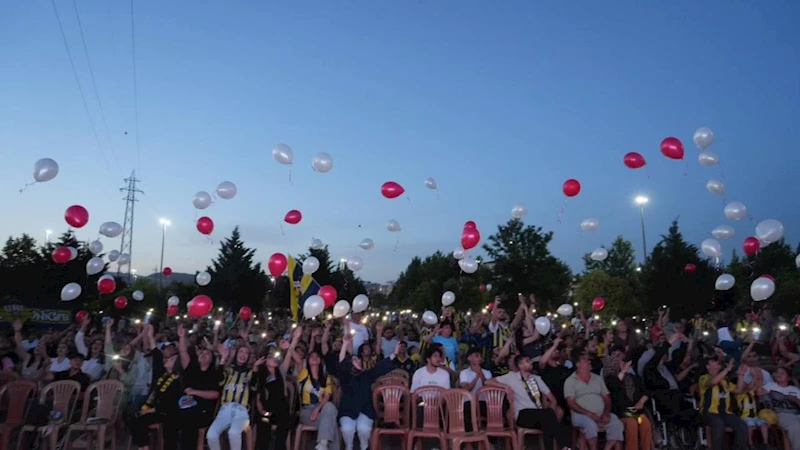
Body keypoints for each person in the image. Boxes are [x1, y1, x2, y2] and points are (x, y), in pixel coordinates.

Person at [489, 354, 571, 450]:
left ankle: (560, 447)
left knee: (548, 421)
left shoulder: (537, 378)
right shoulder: (511, 377)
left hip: (540, 415)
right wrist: (505, 387)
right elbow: (488, 382)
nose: (531, 362)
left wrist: (551, 413)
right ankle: (564, 446)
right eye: (528, 361)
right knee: (548, 416)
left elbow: (552, 399)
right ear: (520, 365)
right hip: (523, 414)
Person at [338, 334, 401, 450]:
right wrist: (345, 344)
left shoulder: (366, 375)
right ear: (349, 365)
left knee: (364, 429)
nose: (358, 361)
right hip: (347, 410)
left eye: (358, 359)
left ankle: (364, 446)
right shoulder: (345, 377)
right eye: (355, 360)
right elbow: (341, 363)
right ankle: (349, 447)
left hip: (365, 410)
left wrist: (395, 354)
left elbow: (380, 368)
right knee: (347, 429)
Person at [206, 345, 264, 450]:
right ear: (236, 354)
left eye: (246, 353)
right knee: (211, 435)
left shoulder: (250, 373)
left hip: (241, 411)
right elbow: (218, 381)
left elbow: (254, 387)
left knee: (233, 433)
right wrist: (223, 359)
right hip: (225, 409)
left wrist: (255, 369)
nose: (243, 354)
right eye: (241, 351)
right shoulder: (229, 370)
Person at [564, 348, 624, 450]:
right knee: (590, 425)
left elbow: (607, 398)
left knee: (616, 423)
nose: (589, 361)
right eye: (585, 360)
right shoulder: (570, 381)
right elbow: (571, 402)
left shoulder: (597, 378)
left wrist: (606, 412)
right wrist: (588, 414)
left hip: (601, 414)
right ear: (578, 364)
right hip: (580, 414)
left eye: (588, 359)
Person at [177, 325, 222, 450]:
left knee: (190, 417)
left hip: (203, 408)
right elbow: (182, 352)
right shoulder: (192, 367)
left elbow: (215, 394)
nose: (203, 354)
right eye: (202, 353)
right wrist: (181, 337)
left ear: (211, 360)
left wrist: (194, 392)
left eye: (207, 354)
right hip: (185, 404)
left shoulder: (213, 374)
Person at [698, 357, 749, 450]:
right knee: (719, 424)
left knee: (742, 426)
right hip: (709, 412)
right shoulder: (704, 378)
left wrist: (741, 374)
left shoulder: (724, 381)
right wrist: (727, 369)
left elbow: (738, 390)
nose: (717, 362)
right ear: (707, 366)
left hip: (725, 413)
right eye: (713, 361)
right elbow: (713, 382)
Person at [603, 355, 652, 450]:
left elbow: (646, 392)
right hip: (620, 413)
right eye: (620, 362)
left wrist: (641, 402)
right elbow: (615, 386)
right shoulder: (609, 379)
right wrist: (623, 371)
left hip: (635, 411)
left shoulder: (632, 378)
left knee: (644, 421)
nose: (623, 363)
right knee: (631, 423)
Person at [297, 349, 340, 450]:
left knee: (329, 406)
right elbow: (297, 359)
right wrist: (291, 345)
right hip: (306, 410)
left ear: (320, 360)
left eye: (317, 356)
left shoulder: (326, 377)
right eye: (312, 356)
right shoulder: (304, 373)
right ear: (307, 361)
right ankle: (324, 444)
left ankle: (323, 444)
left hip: (321, 410)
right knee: (332, 421)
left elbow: (327, 396)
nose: (315, 358)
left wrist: (317, 410)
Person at [759, 367, 800, 450]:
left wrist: (796, 400)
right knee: (795, 426)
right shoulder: (771, 385)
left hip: (797, 413)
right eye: (777, 372)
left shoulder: (795, 389)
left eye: (782, 373)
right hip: (781, 413)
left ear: (788, 378)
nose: (779, 374)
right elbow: (759, 392)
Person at [459, 348, 492, 433]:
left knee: (493, 410)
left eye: (480, 356)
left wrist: (480, 373)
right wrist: (477, 376)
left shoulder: (487, 372)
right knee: (466, 410)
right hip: (469, 401)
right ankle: (469, 439)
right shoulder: (464, 373)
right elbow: (466, 389)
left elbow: (489, 387)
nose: (479, 358)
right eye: (477, 356)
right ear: (470, 358)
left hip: (483, 401)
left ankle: (491, 440)